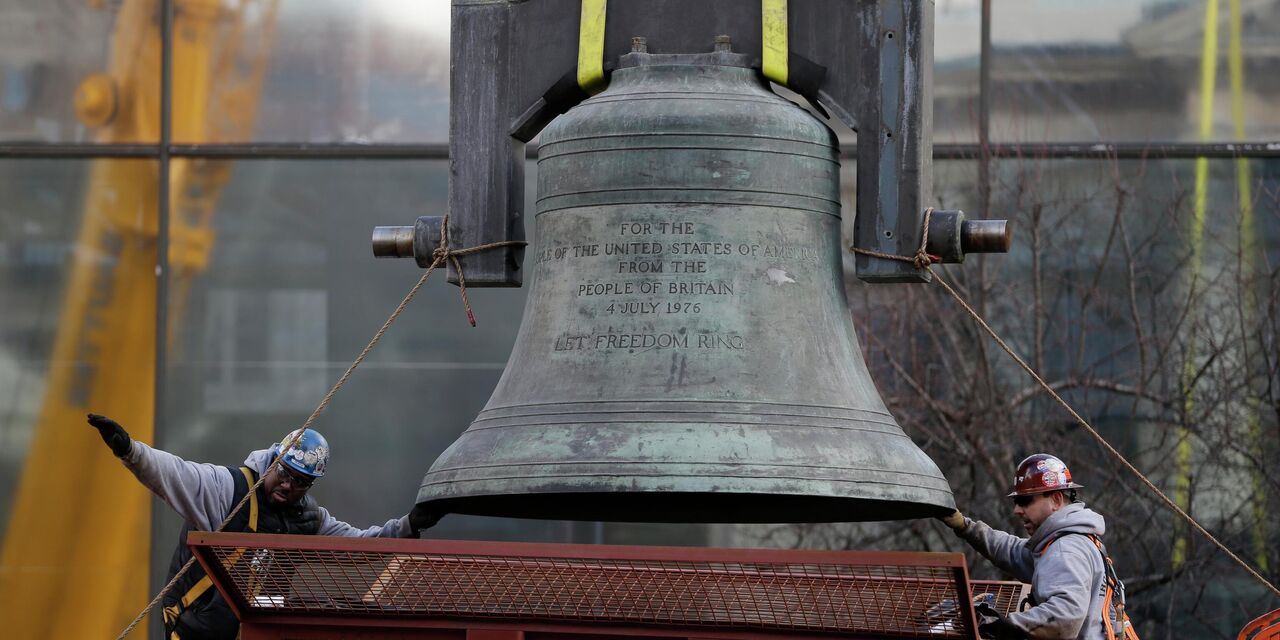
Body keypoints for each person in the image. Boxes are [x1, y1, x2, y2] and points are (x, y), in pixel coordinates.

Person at [86, 413, 419, 640]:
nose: (289, 486)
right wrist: (130, 451)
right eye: (285, 473)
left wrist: (409, 526)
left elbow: (359, 547)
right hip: (193, 630)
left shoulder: (306, 520)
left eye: (301, 482)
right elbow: (176, 473)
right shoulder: (229, 491)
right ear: (274, 459)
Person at [939, 454, 1136, 640]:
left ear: (1056, 500)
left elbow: (1064, 617)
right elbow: (1013, 551)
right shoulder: (1067, 542)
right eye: (1017, 501)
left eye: (1025, 501)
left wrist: (1005, 625)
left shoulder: (1065, 549)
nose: (1017, 509)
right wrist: (965, 526)